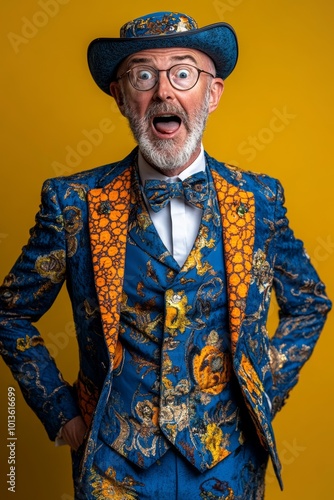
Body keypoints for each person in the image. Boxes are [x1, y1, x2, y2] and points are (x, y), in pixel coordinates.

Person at [0, 10, 331, 500]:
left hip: (229, 465)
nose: (163, 91)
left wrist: (261, 393)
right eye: (143, 75)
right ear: (120, 95)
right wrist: (61, 413)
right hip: (112, 466)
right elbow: (11, 312)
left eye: (182, 73)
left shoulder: (258, 200)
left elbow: (309, 302)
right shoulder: (73, 204)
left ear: (212, 93)